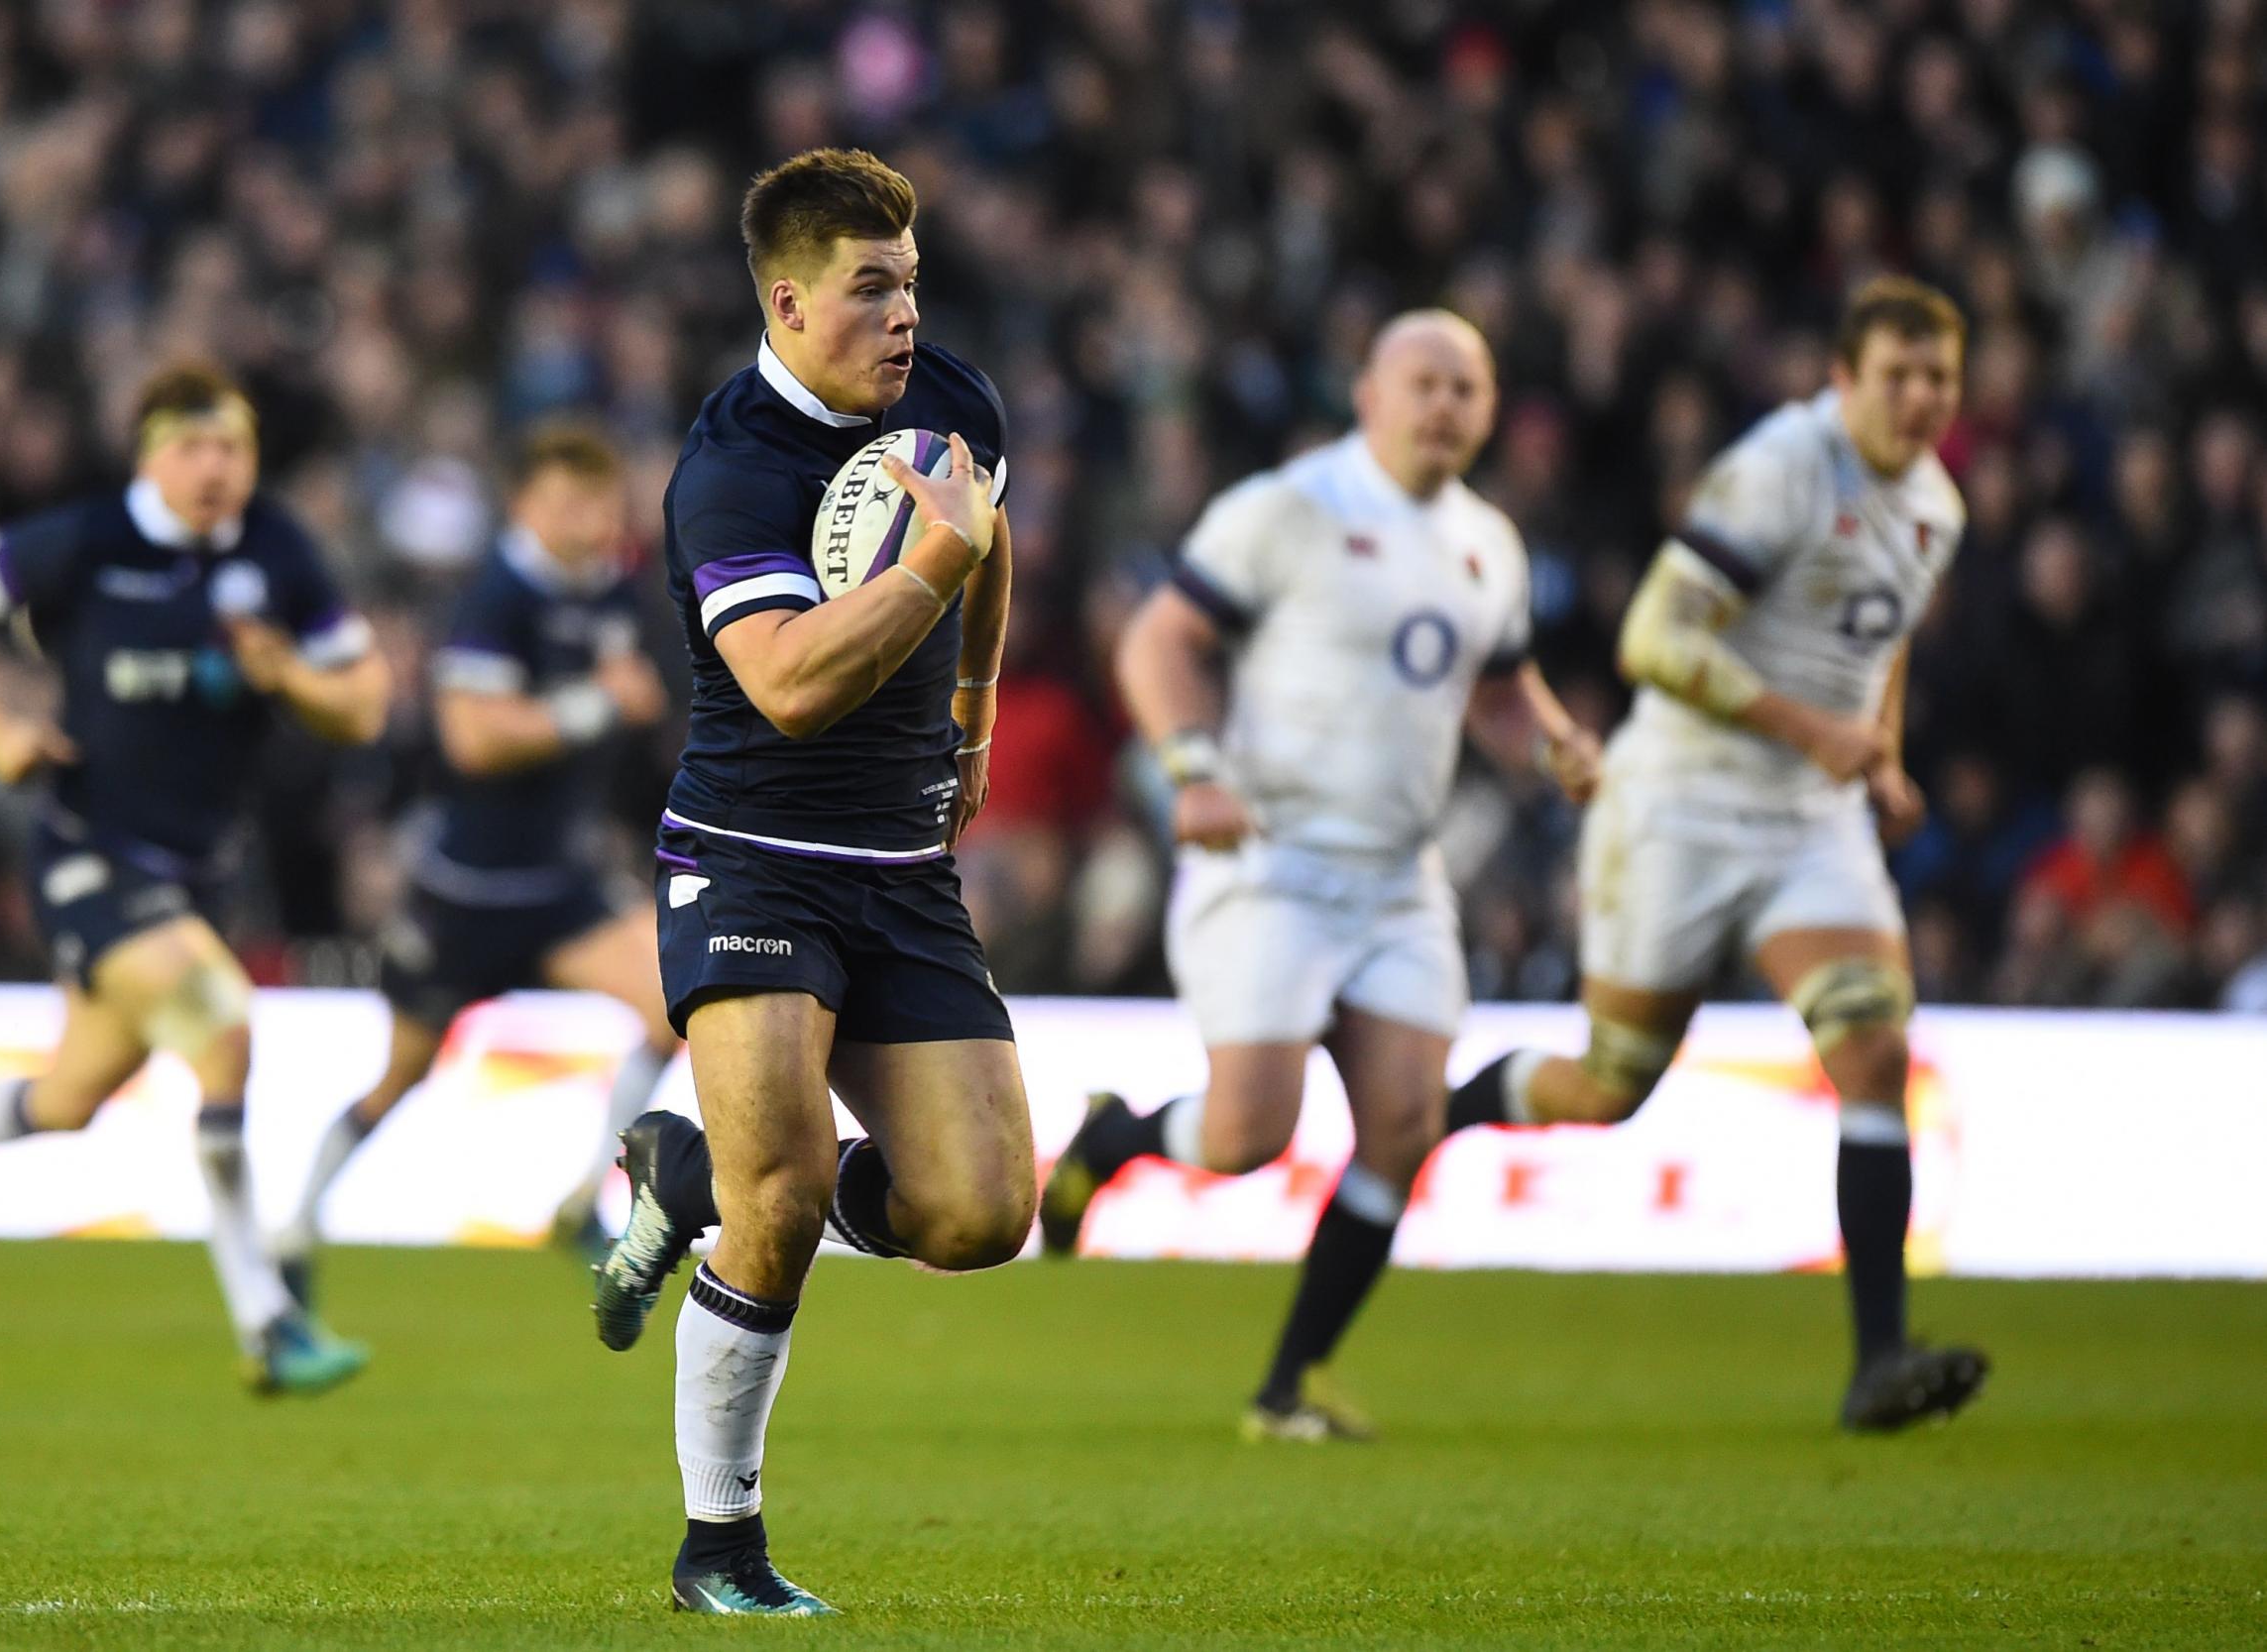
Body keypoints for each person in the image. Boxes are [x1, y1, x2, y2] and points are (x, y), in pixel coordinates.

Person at [586, 149, 1031, 1616]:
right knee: (777, 1215)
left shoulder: (955, 401)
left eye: (912, 282)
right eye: (870, 288)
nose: (904, 314)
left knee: (980, 1213)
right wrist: (933, 571)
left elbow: (991, 537)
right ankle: (720, 1545)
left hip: (903, 868)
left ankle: (690, 1163)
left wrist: (971, 708)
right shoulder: (731, 469)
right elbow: (782, 683)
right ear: (787, 299)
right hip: (754, 856)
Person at [1035, 311, 1601, 1442]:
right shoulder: (1290, 508)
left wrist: (1554, 746)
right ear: (1368, 393)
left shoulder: (1489, 542)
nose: (1444, 404)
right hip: (1271, 860)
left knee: (1403, 1123)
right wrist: (1192, 767)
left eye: (1466, 388)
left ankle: (1289, 1383)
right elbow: (1156, 642)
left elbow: (1493, 686)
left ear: (1488, 412)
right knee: (1250, 1135)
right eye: (1423, 381)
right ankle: (1109, 1143)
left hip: (1397, 875)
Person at [1448, 276, 1990, 1432]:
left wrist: (1876, 756)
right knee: (1609, 1086)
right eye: (1894, 374)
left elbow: (1876, 643)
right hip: (1680, 808)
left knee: (1873, 1046)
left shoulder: (1937, 504)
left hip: (1809, 825)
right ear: (1841, 380)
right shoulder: (1783, 468)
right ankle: (1444, 1114)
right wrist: (1818, 731)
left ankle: (1878, 1361)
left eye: (1936, 377)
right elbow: (1652, 635)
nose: (1917, 397)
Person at [0, 362, 391, 1396]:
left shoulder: (278, 547)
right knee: (223, 1027)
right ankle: (268, 1318)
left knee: (70, 1095)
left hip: (198, 875)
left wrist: (291, 678)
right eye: (193, 447)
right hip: (91, 854)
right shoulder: (84, 540)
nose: (216, 467)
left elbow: (364, 705)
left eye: (233, 447)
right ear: (149, 456)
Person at [271, 422, 675, 1303]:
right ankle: (294, 1221)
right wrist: (594, 706)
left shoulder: (613, 590)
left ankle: (582, 1204)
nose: (592, 517)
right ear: (526, 506)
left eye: (601, 500)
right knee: (400, 1076)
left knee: (676, 997)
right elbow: (472, 737)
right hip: (466, 893)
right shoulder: (496, 597)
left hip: (561, 886)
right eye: (571, 501)